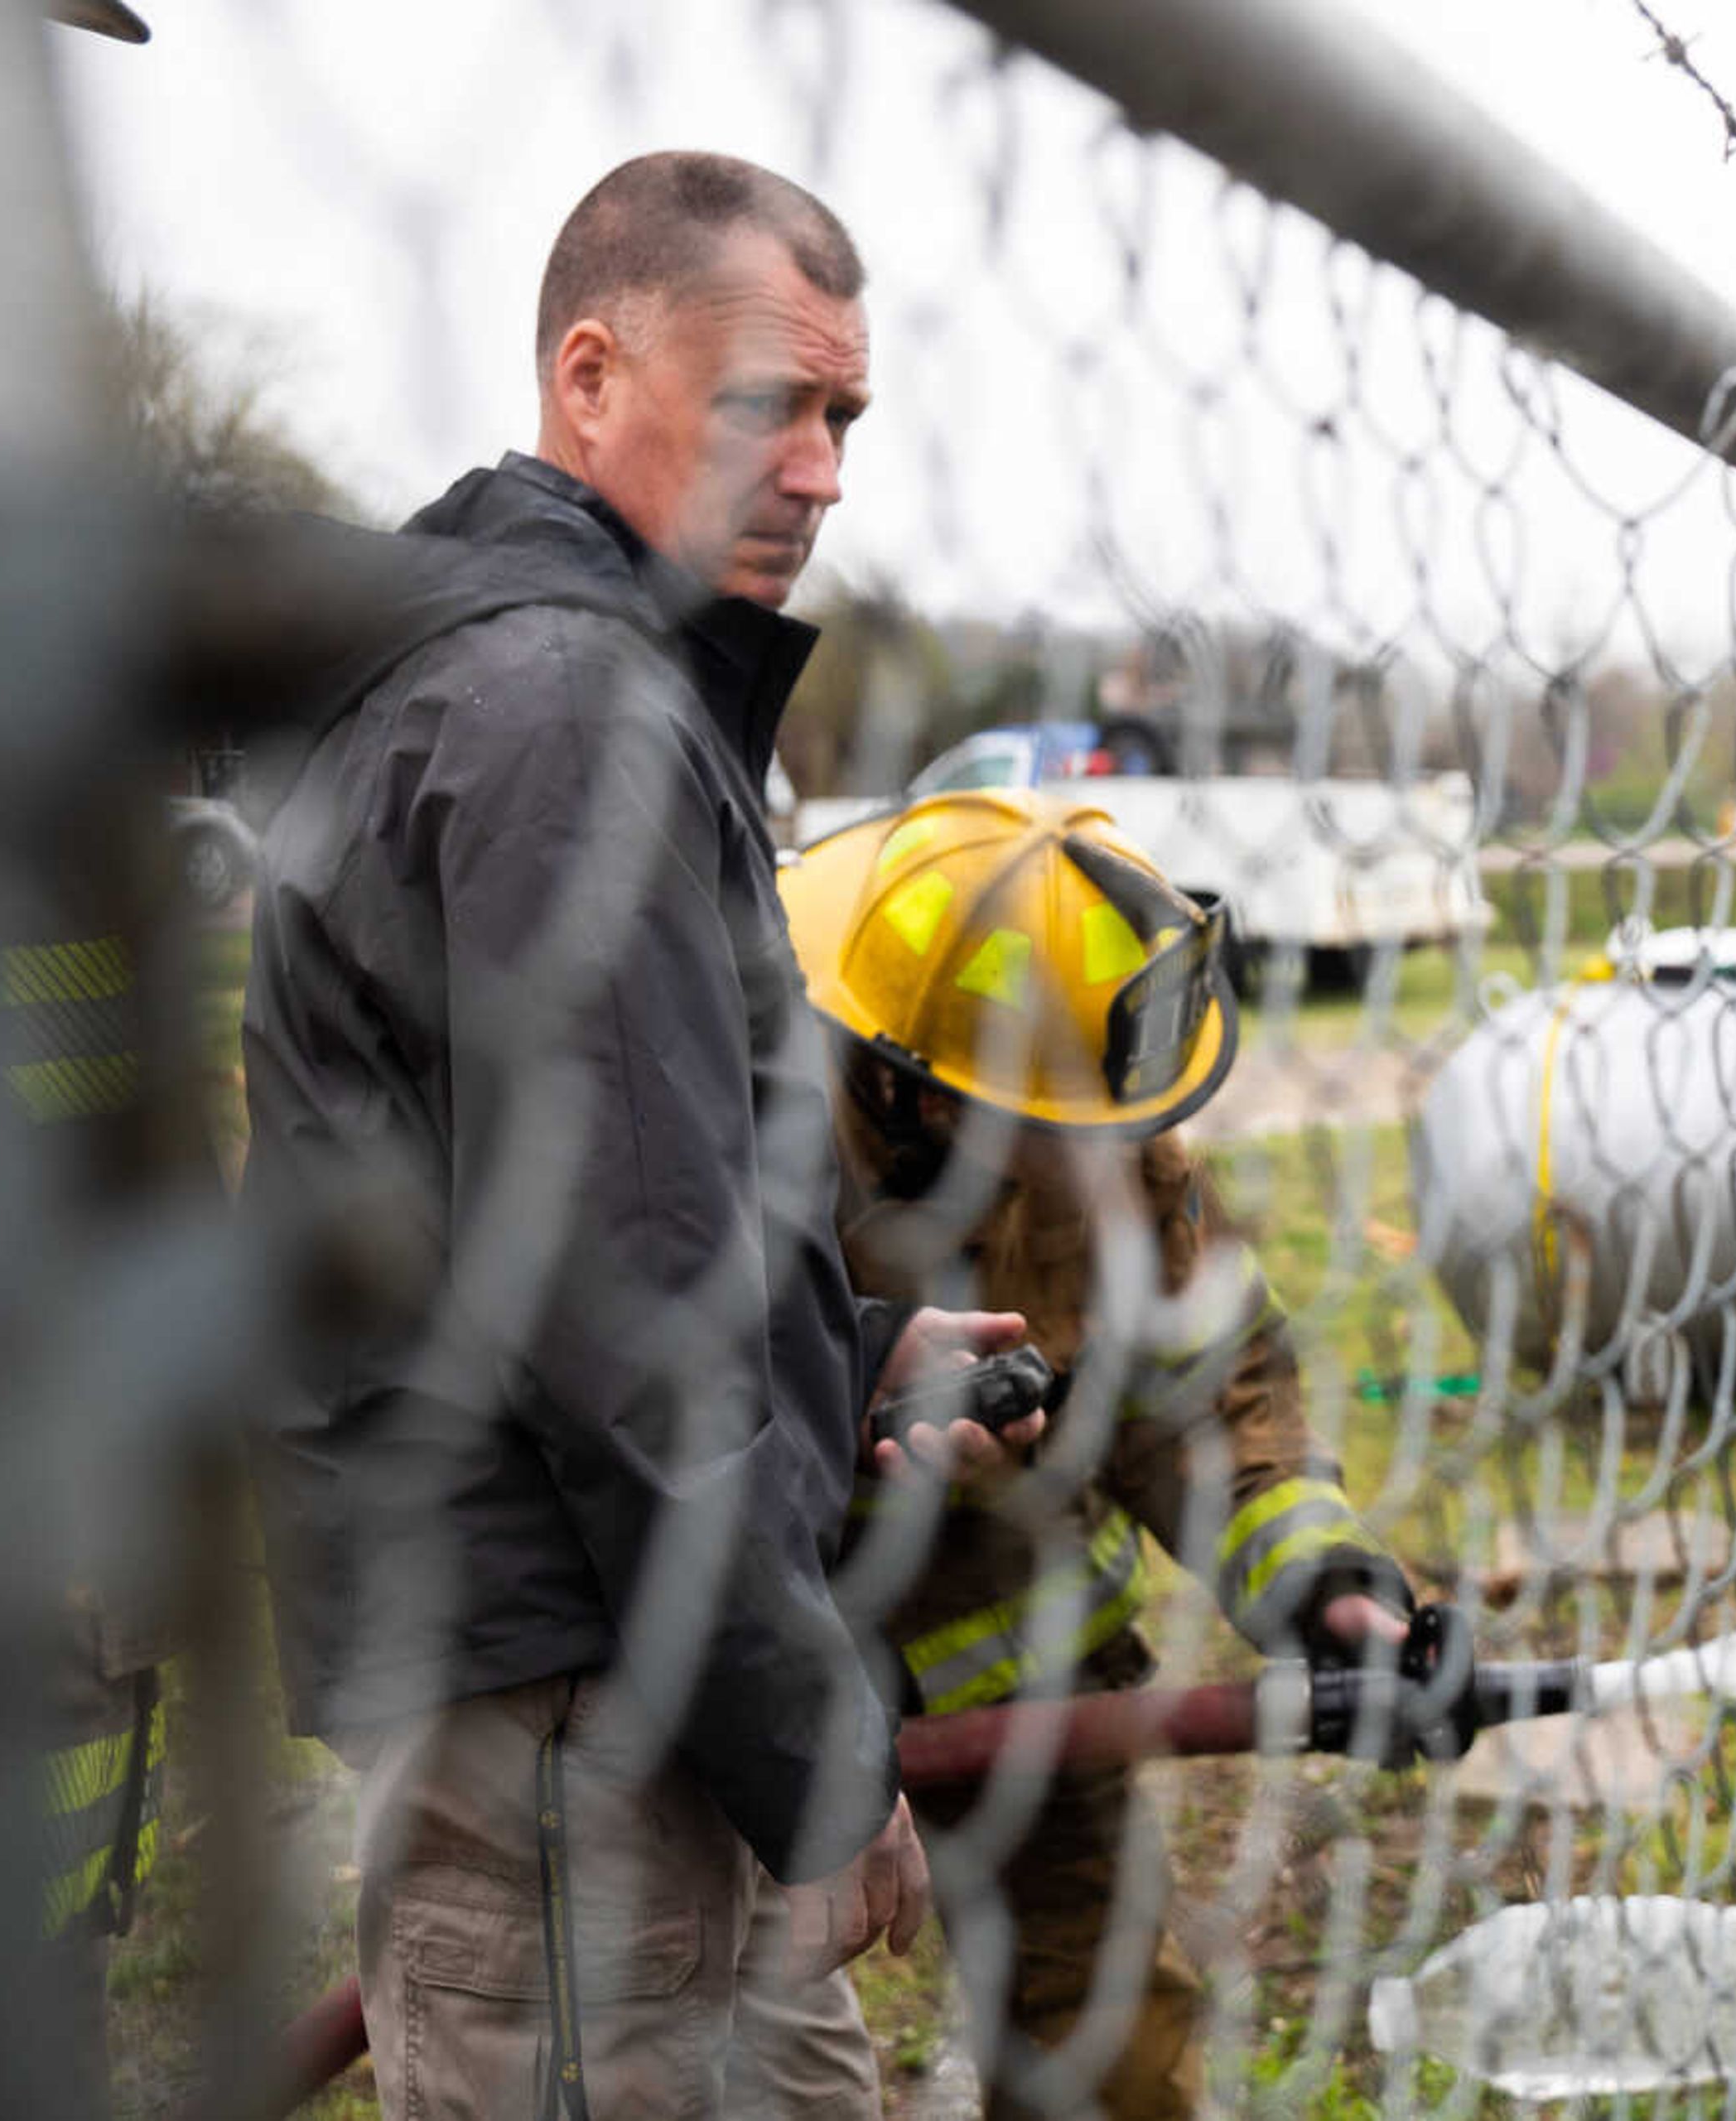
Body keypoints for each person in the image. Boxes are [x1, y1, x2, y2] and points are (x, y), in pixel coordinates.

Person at [242, 152, 1021, 2118]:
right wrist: (818, 1759)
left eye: (848, 418)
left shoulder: (578, 681)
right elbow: (626, 1328)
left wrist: (846, 1352)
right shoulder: (559, 711)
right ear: (590, 379)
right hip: (580, 1696)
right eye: (775, 402)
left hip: (637, 1654)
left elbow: (600, 1214)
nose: (825, 472)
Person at [745, 789, 1422, 2120]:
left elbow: (1220, 1399)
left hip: (1026, 1671)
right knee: (742, 2048)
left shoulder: (1118, 1157)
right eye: (1042, 1117)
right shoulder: (733, 1126)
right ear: (904, 1087)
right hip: (760, 1684)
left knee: (1105, 2047)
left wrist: (1324, 1585)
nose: (1103, 1160)